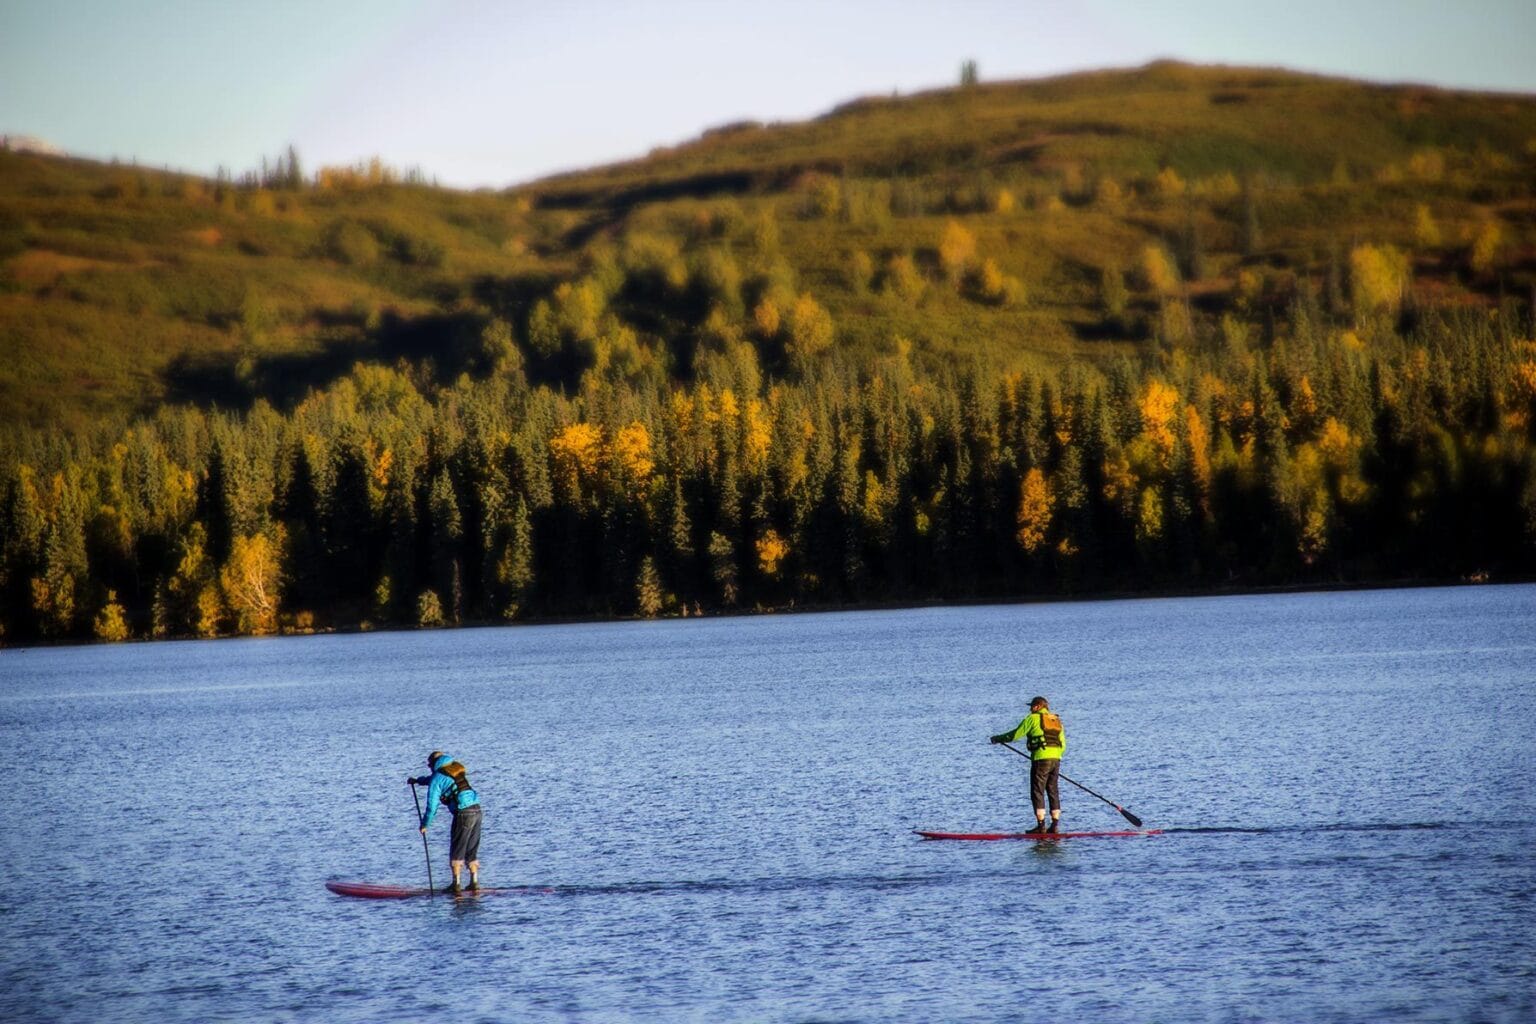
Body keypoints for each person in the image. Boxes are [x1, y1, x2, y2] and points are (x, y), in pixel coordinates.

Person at [408, 751, 483, 892]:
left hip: (463, 812)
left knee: (457, 848)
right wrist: (417, 781)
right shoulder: (454, 768)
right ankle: (474, 882)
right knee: (472, 848)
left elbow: (432, 805)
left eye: (429, 764)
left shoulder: (438, 776)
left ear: (433, 764)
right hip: (477, 810)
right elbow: (433, 780)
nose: (429, 767)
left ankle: (456, 885)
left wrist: (425, 824)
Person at [990, 696, 1067, 833]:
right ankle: (1054, 825)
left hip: (1040, 759)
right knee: (1052, 790)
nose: (1030, 709)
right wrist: (1054, 755)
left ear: (1037, 706)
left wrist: (998, 738)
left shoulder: (1032, 719)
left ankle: (1041, 825)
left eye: (1031, 706)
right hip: (1056, 759)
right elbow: (1063, 744)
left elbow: (1015, 735)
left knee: (1037, 790)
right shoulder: (1055, 720)